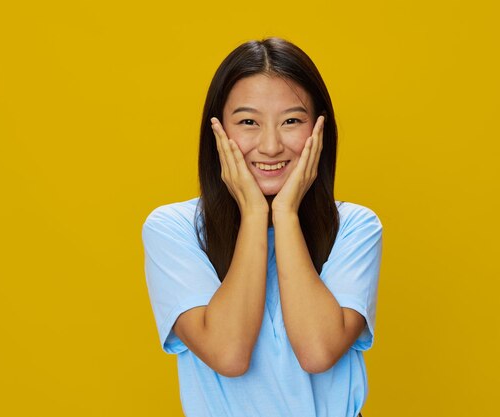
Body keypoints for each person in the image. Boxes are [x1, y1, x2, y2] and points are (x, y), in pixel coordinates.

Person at [142, 37, 382, 417]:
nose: (270, 146)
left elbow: (319, 351)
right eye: (249, 122)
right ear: (217, 132)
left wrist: (285, 214)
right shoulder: (173, 229)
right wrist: (254, 214)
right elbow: (228, 353)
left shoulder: (354, 226)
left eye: (291, 121)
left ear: (319, 131)